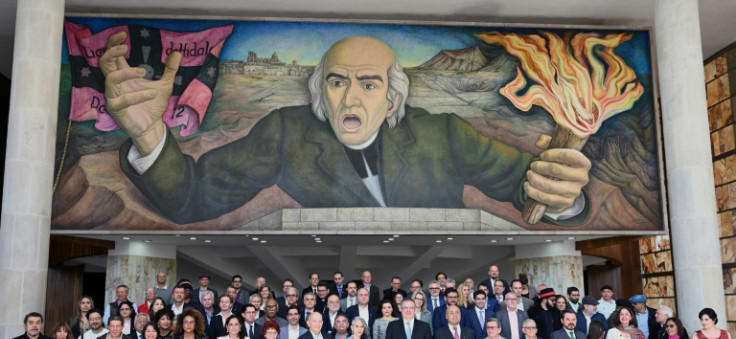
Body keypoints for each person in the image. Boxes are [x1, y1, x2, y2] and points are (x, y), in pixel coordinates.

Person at [102, 34, 591, 225]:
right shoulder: (286, 133)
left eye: (368, 84)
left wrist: (562, 193)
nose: (351, 98)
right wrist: (148, 136)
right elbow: (191, 199)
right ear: (320, 94)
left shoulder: (444, 135)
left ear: (393, 98)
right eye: (337, 83)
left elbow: (532, 185)